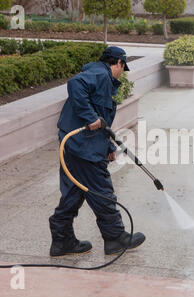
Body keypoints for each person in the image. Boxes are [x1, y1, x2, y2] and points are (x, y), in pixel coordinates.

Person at [49, 46, 145, 257]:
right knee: (101, 190)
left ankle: (62, 241)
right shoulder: (100, 73)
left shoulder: (101, 76)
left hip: (77, 145)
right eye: (123, 68)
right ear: (118, 63)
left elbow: (101, 117)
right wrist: (89, 118)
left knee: (74, 192)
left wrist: (109, 147)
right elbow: (75, 84)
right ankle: (115, 238)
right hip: (83, 147)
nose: (122, 72)